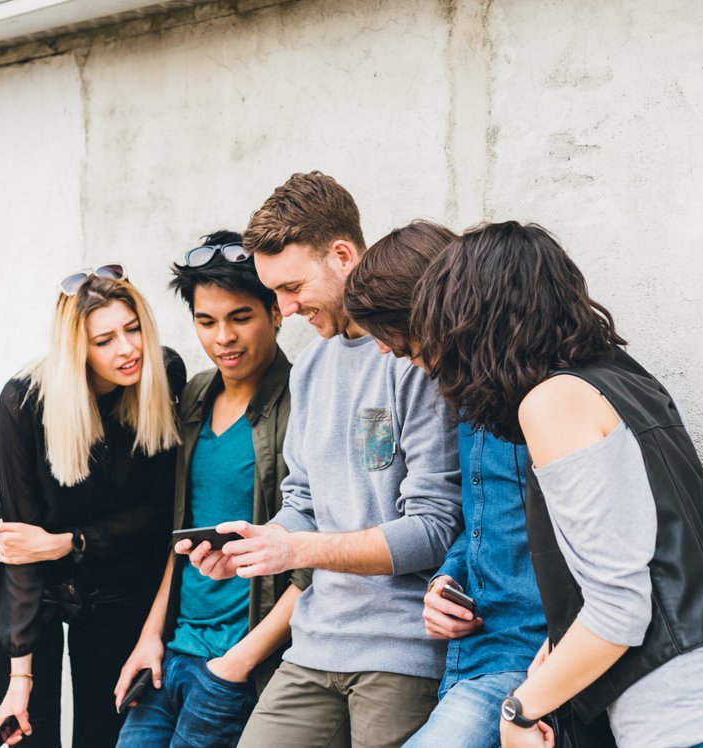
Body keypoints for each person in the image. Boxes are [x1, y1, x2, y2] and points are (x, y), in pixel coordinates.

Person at [409, 223, 703, 748]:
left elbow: (620, 611)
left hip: (686, 724)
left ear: (477, 322)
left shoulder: (552, 403)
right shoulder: (630, 383)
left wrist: (520, 710)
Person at [188, 172, 462, 748]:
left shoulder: (414, 359)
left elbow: (435, 530)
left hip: (402, 650)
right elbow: (304, 504)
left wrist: (297, 548)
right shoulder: (311, 369)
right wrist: (254, 546)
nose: (282, 310)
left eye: (290, 288)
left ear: (342, 255)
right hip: (312, 645)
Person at [340, 220, 556, 748]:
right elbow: (481, 520)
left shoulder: (556, 405)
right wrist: (446, 580)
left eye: (391, 334)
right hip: (470, 658)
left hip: (527, 666)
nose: (386, 352)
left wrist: (535, 696)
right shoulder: (472, 400)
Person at [115, 230, 308, 747]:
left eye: (240, 317)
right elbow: (180, 542)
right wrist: (150, 636)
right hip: (172, 652)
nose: (223, 337)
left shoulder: (303, 402)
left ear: (276, 312)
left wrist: (239, 661)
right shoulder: (195, 396)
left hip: (239, 659)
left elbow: (318, 560)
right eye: (206, 321)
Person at [0, 266, 184, 748]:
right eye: (105, 340)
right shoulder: (24, 402)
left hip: (116, 581)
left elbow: (161, 510)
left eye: (133, 329)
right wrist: (21, 678)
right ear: (77, 348)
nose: (128, 349)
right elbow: (21, 552)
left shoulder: (163, 376)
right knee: (30, 736)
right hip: (32, 594)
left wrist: (72, 542)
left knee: (107, 734)